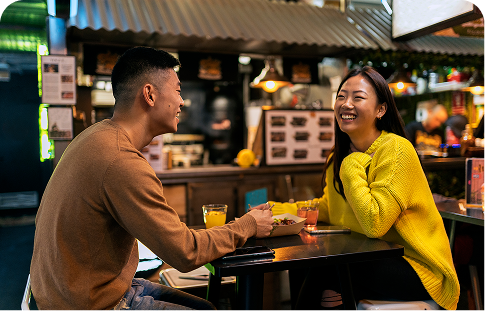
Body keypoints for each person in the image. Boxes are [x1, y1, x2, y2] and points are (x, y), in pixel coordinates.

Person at [30, 47, 274, 311]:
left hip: (74, 291)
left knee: (209, 308)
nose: (182, 102)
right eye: (178, 90)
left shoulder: (94, 137)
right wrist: (247, 225)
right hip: (87, 305)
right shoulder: (120, 160)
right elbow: (185, 252)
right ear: (149, 94)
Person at [257, 66, 459, 310]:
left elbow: (375, 223)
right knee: (303, 262)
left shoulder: (396, 150)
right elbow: (330, 207)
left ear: (381, 109)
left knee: (330, 268)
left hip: (416, 267)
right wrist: (272, 211)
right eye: (341, 96)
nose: (346, 104)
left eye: (358, 97)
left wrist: (351, 165)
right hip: (370, 259)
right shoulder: (339, 157)